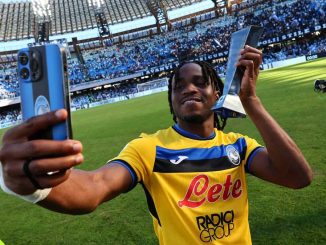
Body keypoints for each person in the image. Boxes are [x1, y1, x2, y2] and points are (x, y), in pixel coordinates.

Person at [0, 45, 312, 244]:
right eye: (178, 86)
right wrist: (31, 185)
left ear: (217, 93)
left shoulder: (239, 146)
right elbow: (94, 186)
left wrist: (251, 101)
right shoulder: (150, 148)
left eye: (200, 82)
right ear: (172, 103)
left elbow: (297, 177)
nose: (189, 88)